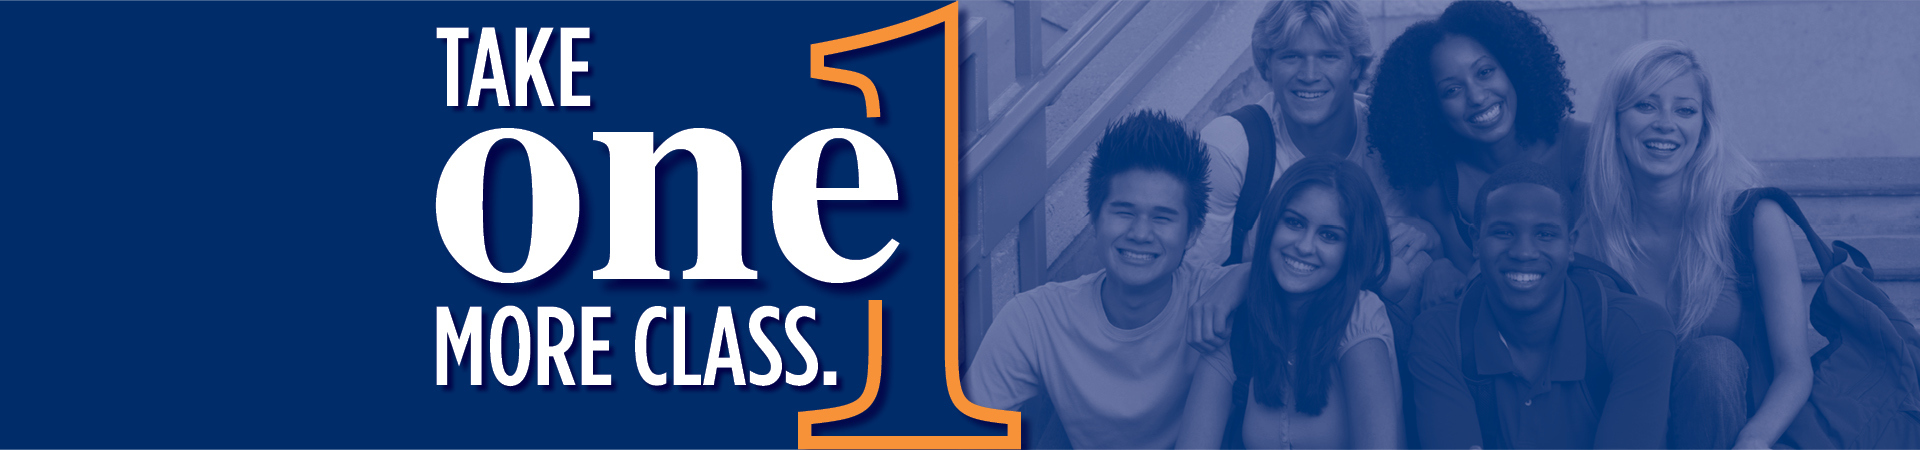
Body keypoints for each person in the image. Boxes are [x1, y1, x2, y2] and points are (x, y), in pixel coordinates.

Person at [1578, 40, 1809, 450]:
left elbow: (1795, 368)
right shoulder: (1591, 234)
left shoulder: (1753, 218)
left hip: (1727, 431)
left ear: (1704, 126)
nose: (1666, 123)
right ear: (1616, 119)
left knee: (1713, 358)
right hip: (1631, 430)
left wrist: (1756, 439)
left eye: (1685, 110)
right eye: (1645, 106)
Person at [963, 110, 1236, 449]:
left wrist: (1244, 277)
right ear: (1094, 218)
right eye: (1124, 212)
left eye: (1163, 218)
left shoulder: (1214, 298)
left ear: (1193, 233)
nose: (1140, 233)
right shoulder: (1035, 319)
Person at [1408, 162, 1676, 449]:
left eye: (1545, 234)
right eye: (1504, 232)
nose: (1524, 252)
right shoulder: (1440, 334)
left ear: (1571, 245)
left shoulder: (1638, 329)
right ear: (1476, 241)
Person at [1188, 0, 1433, 304]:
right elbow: (1191, 280)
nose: (1309, 74)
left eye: (1328, 56)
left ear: (1355, 65)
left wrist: (1430, 236)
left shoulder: (1389, 132)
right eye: (1291, 56)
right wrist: (1247, 275)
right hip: (1260, 323)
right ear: (1267, 65)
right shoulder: (1231, 145)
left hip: (1372, 325)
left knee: (1422, 266)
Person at [1177, 156, 1403, 449]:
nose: (1305, 246)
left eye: (1329, 235)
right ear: (1272, 222)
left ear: (1351, 249)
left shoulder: (1359, 318)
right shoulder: (1239, 322)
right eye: (1294, 223)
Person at [1369, 0, 1590, 274]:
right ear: (1431, 107)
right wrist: (1438, 263)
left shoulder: (1582, 149)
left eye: (1485, 72)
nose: (1476, 96)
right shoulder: (1434, 181)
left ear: (1513, 68)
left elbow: (1587, 266)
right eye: (1452, 90)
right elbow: (1466, 281)